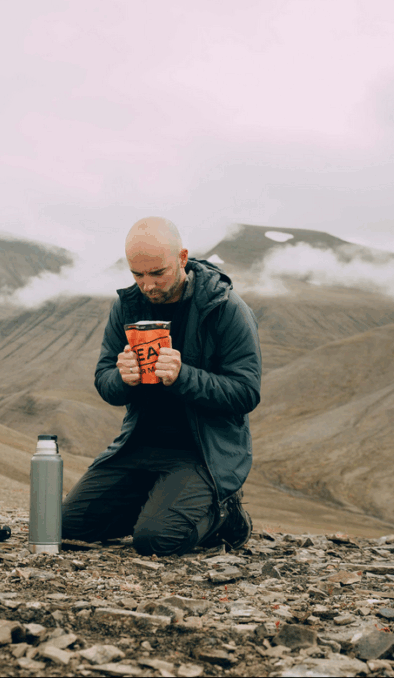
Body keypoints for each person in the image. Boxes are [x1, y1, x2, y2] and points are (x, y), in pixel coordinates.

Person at [61, 216, 263, 556]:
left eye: (158, 273)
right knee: (63, 527)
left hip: (203, 454)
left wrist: (184, 376)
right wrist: (121, 378)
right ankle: (158, 504)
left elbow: (246, 392)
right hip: (139, 446)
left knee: (156, 541)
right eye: (137, 275)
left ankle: (225, 515)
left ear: (182, 258)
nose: (148, 285)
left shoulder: (225, 309)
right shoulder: (127, 306)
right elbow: (105, 382)